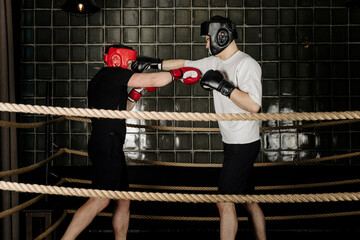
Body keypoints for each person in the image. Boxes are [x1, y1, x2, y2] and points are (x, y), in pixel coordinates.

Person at [131, 16, 266, 240]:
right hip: (232, 142)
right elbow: (186, 64)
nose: (205, 44)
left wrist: (223, 86)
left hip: (243, 145)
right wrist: (154, 64)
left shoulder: (246, 64)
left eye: (207, 39)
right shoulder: (216, 63)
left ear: (221, 36)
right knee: (249, 200)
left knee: (224, 202)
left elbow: (254, 105)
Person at [61, 44, 201, 240]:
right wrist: (179, 74)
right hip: (107, 143)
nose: (130, 66)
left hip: (109, 143)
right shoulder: (111, 73)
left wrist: (136, 94)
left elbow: (121, 111)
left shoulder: (105, 79)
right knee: (99, 201)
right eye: (128, 62)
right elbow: (152, 78)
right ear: (117, 60)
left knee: (124, 200)